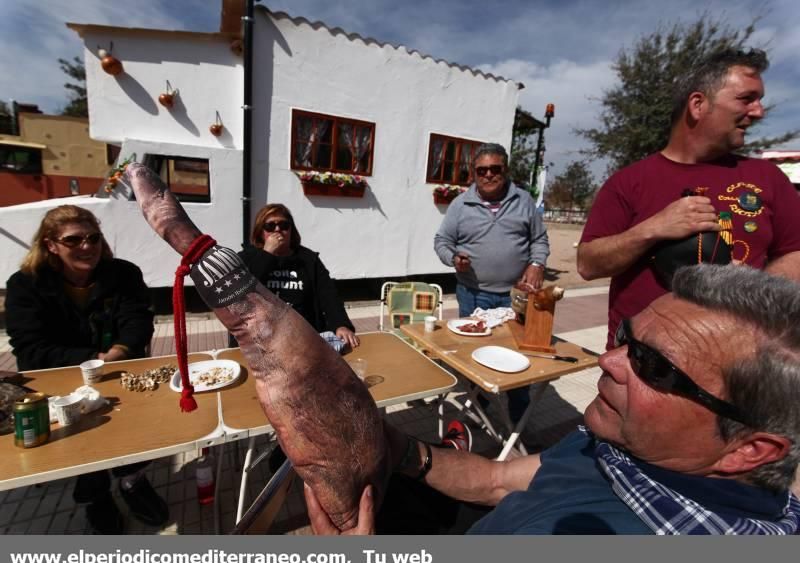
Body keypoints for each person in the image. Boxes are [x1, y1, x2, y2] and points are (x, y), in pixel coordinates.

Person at [305, 264, 800, 535]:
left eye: (655, 367)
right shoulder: (628, 443)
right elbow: (498, 479)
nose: (609, 361)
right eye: (626, 338)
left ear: (748, 450)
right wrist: (395, 445)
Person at [578, 48, 800, 349]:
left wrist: (753, 288)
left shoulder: (768, 178)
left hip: (736, 363)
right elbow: (588, 264)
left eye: (759, 100)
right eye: (746, 98)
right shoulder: (628, 181)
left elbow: (795, 253)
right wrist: (653, 228)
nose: (759, 111)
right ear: (698, 104)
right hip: (640, 365)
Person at [4, 205, 167, 534]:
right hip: (59, 376)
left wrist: (117, 353)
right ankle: (95, 497)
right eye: (73, 239)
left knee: (134, 426)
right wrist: (93, 357)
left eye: (92, 237)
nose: (86, 246)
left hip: (118, 368)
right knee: (81, 435)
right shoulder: (26, 285)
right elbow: (31, 349)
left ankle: (131, 481)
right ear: (51, 244)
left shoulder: (123, 274)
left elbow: (138, 322)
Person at [434, 142, 550, 423]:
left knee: (520, 357)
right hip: (473, 294)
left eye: (494, 169)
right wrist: (453, 258)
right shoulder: (461, 204)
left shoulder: (523, 201)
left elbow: (539, 240)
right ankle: (478, 409)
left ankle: (519, 419)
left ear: (505, 170)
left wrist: (536, 264)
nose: (488, 175)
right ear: (473, 172)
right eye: (481, 170)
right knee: (475, 356)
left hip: (516, 296)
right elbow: (442, 241)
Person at [237, 203, 358, 349]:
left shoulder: (308, 260)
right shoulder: (247, 259)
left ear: (291, 230)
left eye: (284, 225)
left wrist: (341, 325)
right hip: (259, 341)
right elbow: (242, 292)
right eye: (270, 226)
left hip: (303, 339)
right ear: (260, 232)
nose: (277, 230)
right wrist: (267, 255)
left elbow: (328, 295)